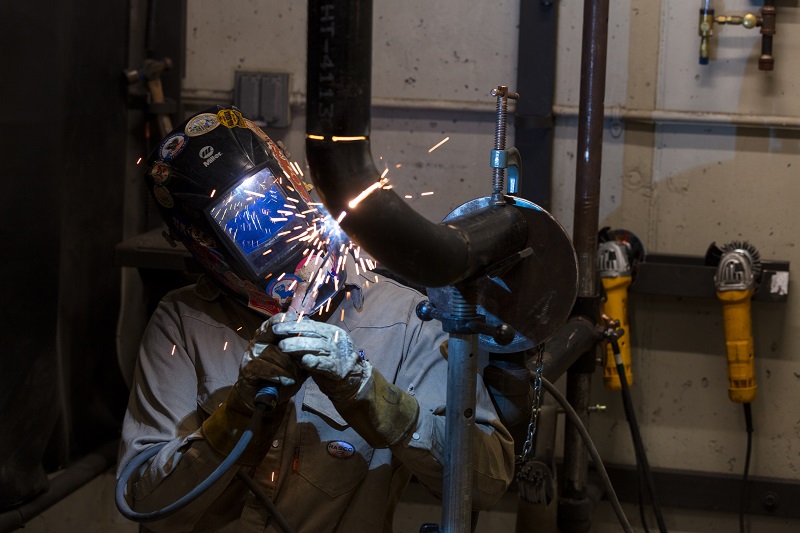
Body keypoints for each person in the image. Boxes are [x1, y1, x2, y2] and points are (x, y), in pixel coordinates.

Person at [117, 105, 514, 532]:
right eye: (242, 232)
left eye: (274, 209)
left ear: (296, 184)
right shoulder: (183, 323)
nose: (275, 248)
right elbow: (144, 501)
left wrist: (379, 401)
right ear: (206, 253)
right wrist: (232, 419)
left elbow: (487, 482)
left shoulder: (404, 318)